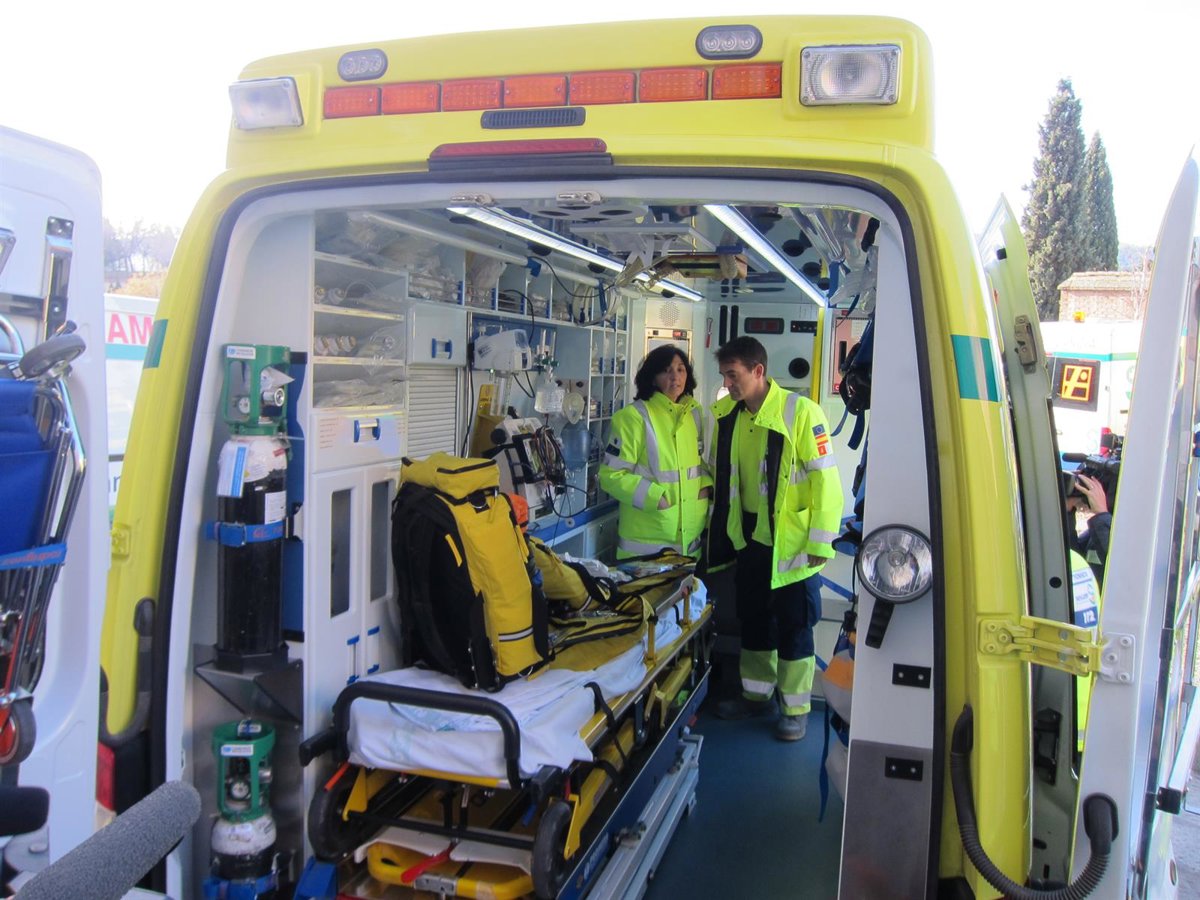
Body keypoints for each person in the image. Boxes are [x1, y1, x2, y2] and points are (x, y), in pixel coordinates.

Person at [705, 337, 843, 741]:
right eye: (725, 376)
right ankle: (755, 697)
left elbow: (826, 481)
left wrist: (820, 542)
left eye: (734, 375)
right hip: (749, 541)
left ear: (758, 371)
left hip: (793, 545)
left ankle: (795, 709)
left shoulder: (800, 412)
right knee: (754, 621)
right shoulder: (729, 417)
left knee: (795, 626)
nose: (728, 383)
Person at [599, 345, 712, 559]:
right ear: (652, 377)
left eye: (681, 370)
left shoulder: (693, 414)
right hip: (647, 546)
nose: (675, 377)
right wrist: (656, 498)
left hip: (690, 543)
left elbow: (697, 466)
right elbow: (611, 477)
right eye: (666, 370)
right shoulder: (633, 417)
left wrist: (704, 488)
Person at [1066, 471, 1113, 581]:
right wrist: (1068, 510)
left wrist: (1101, 513)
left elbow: (1120, 567)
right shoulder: (1102, 528)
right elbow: (1072, 559)